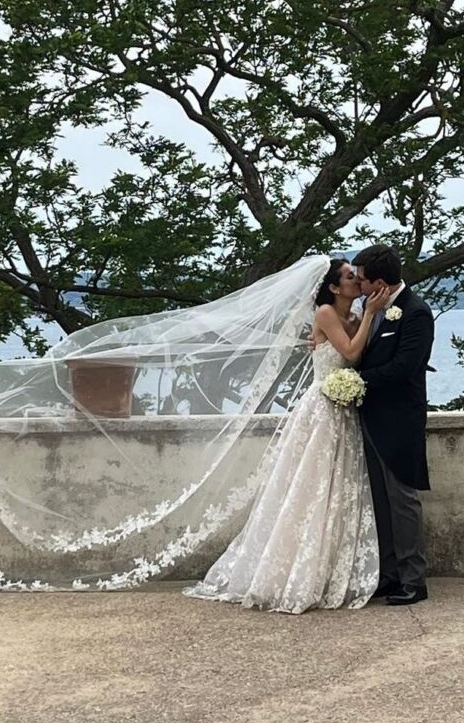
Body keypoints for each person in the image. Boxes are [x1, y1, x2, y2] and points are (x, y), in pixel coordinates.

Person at [184, 259, 391, 613]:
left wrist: (367, 316)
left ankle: (328, 569)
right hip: (322, 411)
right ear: (333, 288)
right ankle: (291, 572)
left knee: (338, 489)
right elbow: (352, 352)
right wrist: (371, 314)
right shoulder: (326, 313)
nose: (356, 281)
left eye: (356, 276)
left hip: (346, 411)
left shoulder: (355, 318)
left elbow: (361, 357)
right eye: (348, 277)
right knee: (308, 487)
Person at [350, 245, 435, 606]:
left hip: (400, 419)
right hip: (370, 417)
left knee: (402, 499)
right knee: (379, 501)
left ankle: (414, 580)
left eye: (361, 279)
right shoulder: (369, 311)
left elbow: (404, 367)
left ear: (379, 282)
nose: (357, 284)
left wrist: (356, 381)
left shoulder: (416, 312)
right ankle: (388, 575)